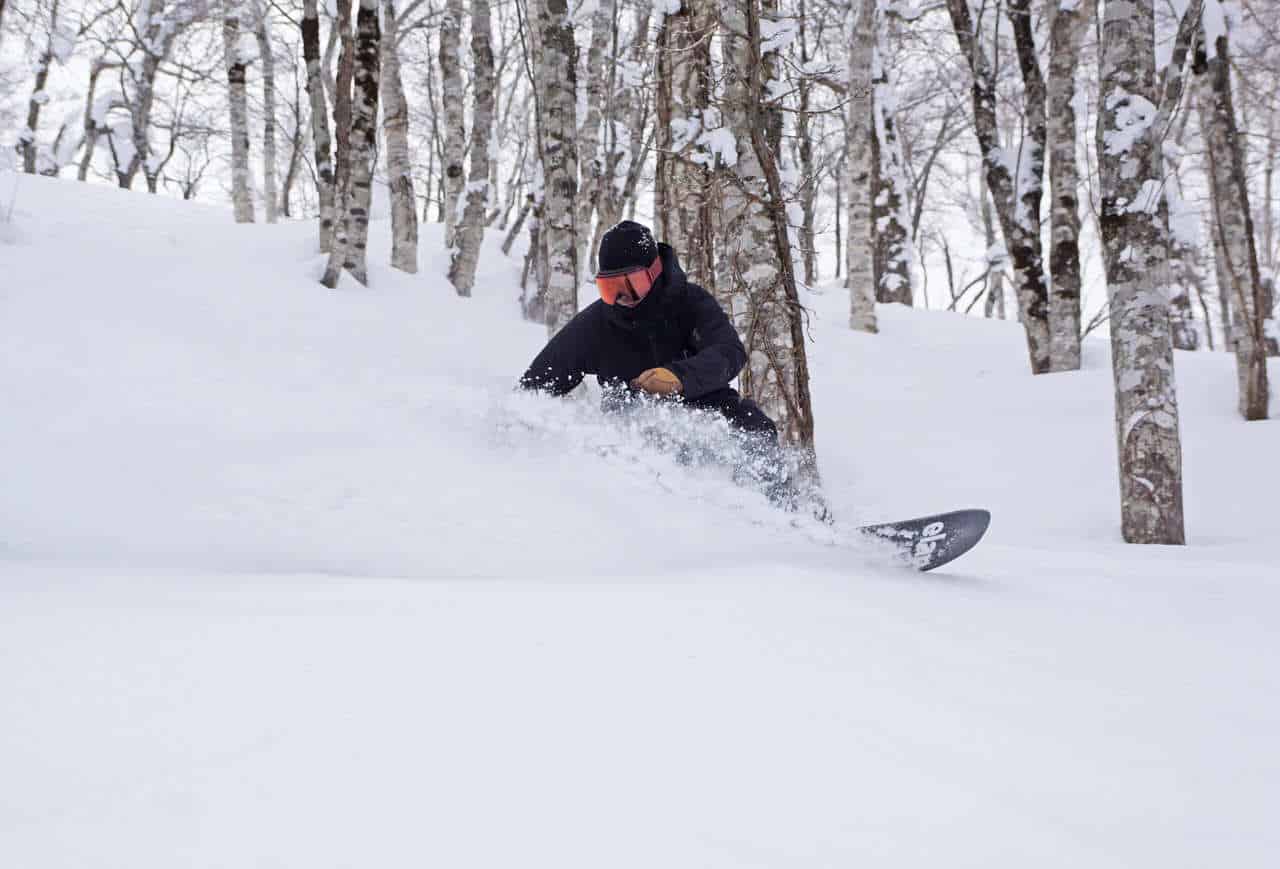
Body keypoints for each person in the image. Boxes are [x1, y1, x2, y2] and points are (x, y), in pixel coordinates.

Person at [519, 220, 794, 504]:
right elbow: (533, 388)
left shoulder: (690, 303)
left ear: (655, 271)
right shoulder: (596, 325)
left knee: (755, 427)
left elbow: (730, 351)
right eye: (609, 288)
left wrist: (679, 377)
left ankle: (778, 512)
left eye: (631, 285)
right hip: (634, 427)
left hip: (708, 409)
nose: (621, 298)